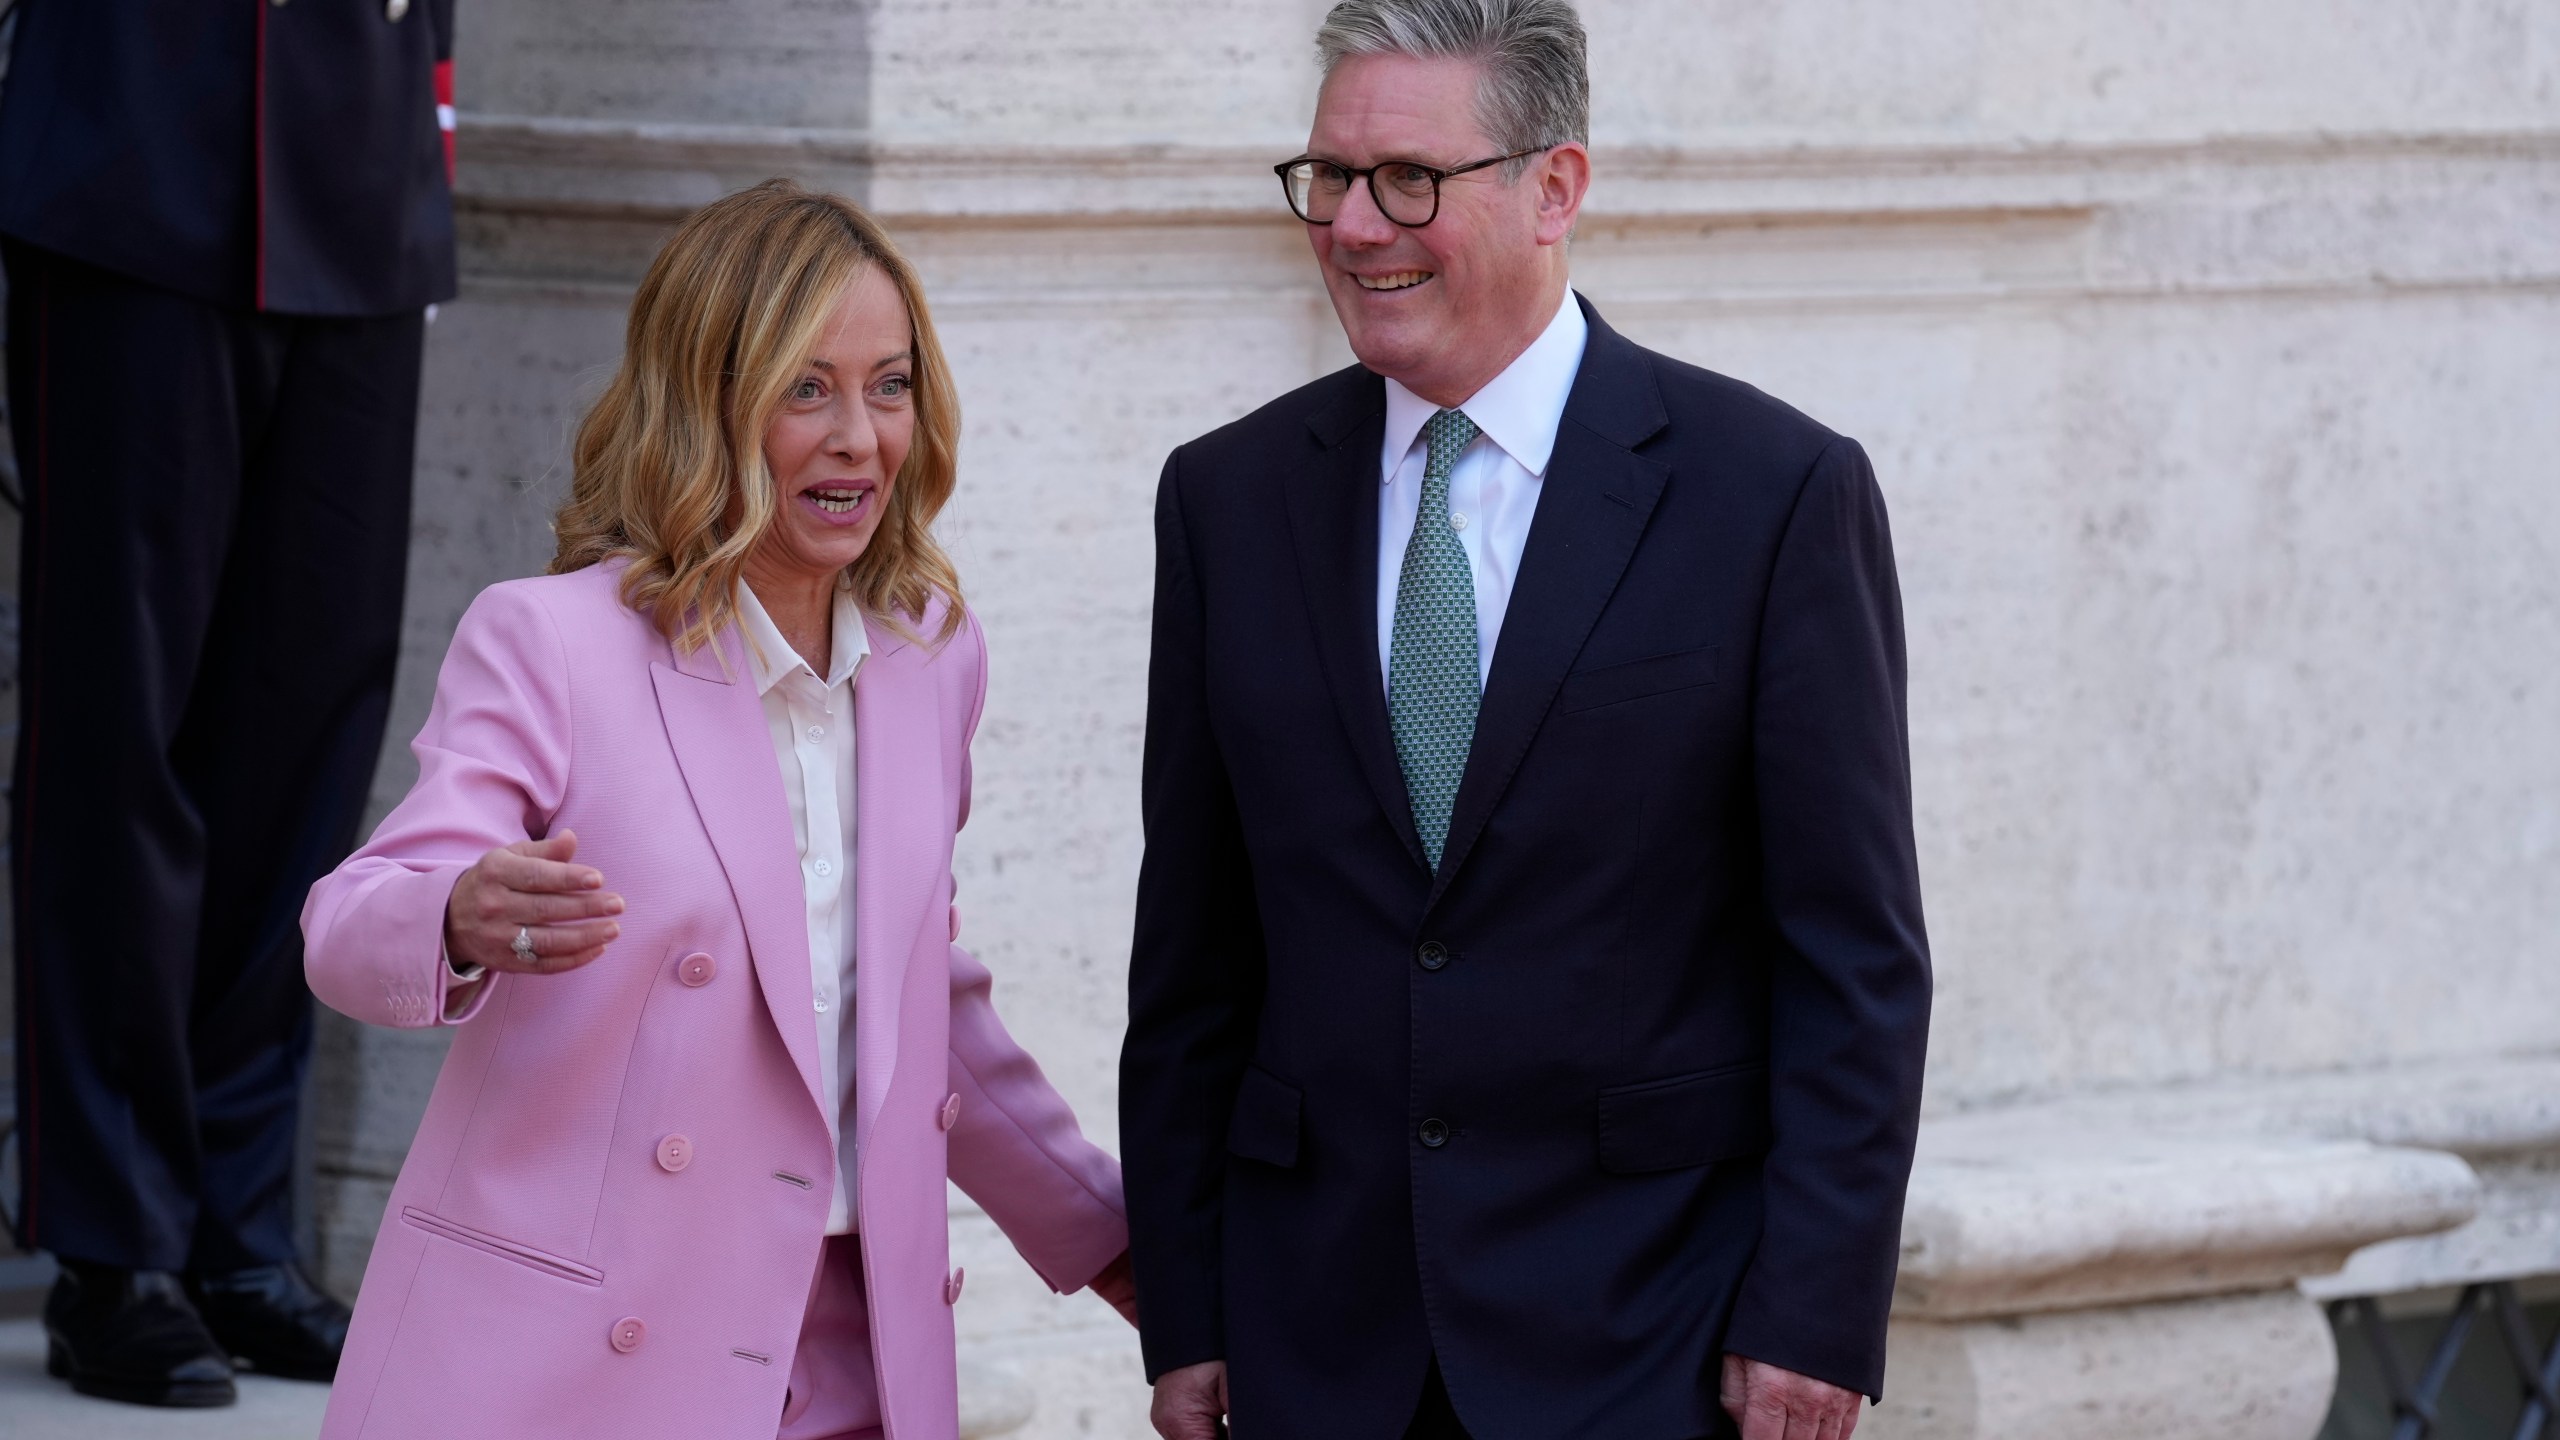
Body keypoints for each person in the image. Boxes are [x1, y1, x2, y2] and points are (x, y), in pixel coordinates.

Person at [1118, 3, 1932, 1437]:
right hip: (1314, 1342)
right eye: (1330, 178)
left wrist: (1812, 1310)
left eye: (1410, 180)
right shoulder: (1225, 500)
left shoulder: (1771, 493)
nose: (1358, 226)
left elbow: (1852, 956)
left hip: (1651, 1335)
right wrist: (1186, 1309)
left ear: (1556, 188)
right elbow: (1194, 955)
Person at [301, 180, 1136, 1440]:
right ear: (707, 402)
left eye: (890, 384)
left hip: (861, 1358)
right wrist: (462, 914)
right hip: (580, 1364)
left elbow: (915, 1009)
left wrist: (1129, 1252)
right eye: (808, 388)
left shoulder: (932, 658)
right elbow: (349, 922)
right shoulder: (551, 642)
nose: (859, 435)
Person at [0, 0, 460, 1408]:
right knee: (118, 735)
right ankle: (113, 1243)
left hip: (363, 159)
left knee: (306, 735)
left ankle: (236, 1236)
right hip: (135, 159)